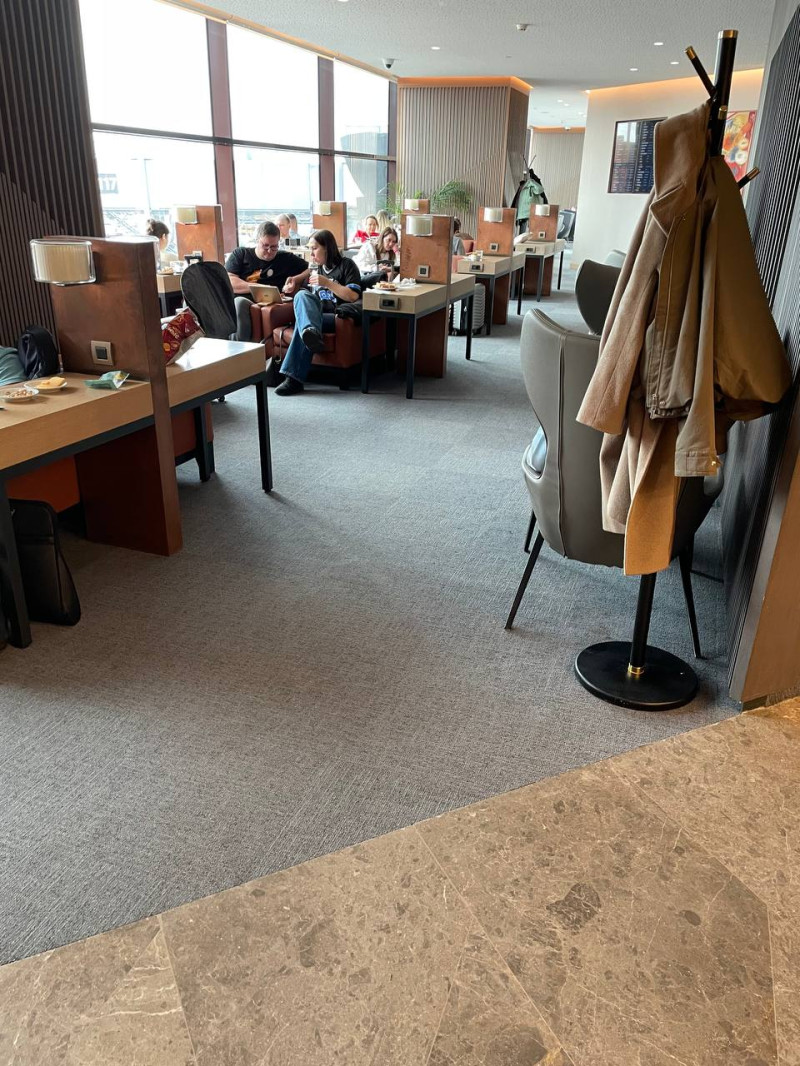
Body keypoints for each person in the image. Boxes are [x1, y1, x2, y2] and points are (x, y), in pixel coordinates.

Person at [276, 229, 361, 396]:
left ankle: (293, 380)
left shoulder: (347, 265)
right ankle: (311, 333)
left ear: (327, 248)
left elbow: (352, 296)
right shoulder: (316, 269)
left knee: (304, 325)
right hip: (316, 316)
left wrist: (327, 283)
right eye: (310, 249)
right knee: (301, 296)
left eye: (314, 248)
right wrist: (292, 286)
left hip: (336, 317)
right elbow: (305, 294)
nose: (312, 253)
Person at [225, 221, 308, 341]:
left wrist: (295, 279)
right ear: (257, 240)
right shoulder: (241, 254)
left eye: (274, 247)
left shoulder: (285, 258)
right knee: (239, 302)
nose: (269, 251)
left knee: (239, 304)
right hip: (244, 299)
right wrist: (261, 288)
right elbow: (230, 281)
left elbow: (310, 269)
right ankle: (239, 349)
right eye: (265, 246)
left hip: (271, 303)